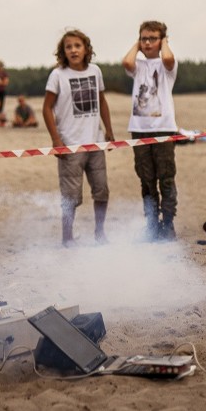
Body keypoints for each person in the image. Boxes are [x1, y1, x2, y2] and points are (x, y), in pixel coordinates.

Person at [43, 29, 112, 246]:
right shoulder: (58, 75)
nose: (73, 50)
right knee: (70, 196)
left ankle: (100, 233)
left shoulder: (95, 71)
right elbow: (46, 108)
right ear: (63, 52)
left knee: (101, 190)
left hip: (95, 142)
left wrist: (108, 131)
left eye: (77, 46)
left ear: (86, 49)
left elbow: (102, 101)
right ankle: (67, 237)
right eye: (68, 46)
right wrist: (56, 140)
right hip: (70, 146)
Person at [122, 21, 178, 241]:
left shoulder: (167, 65)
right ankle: (152, 223)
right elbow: (126, 62)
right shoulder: (139, 65)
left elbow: (168, 59)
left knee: (166, 178)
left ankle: (168, 222)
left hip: (163, 129)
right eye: (143, 38)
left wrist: (164, 42)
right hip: (139, 130)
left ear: (162, 40)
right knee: (146, 179)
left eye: (152, 38)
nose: (147, 43)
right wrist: (138, 44)